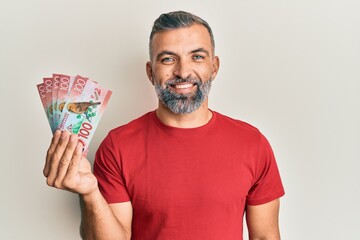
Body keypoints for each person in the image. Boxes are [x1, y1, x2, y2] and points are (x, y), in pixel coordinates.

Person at [44, 11, 285, 240]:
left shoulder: (252, 143)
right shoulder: (117, 146)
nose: (182, 71)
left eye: (197, 57)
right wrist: (90, 194)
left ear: (214, 67)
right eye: (168, 59)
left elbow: (265, 235)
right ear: (150, 72)